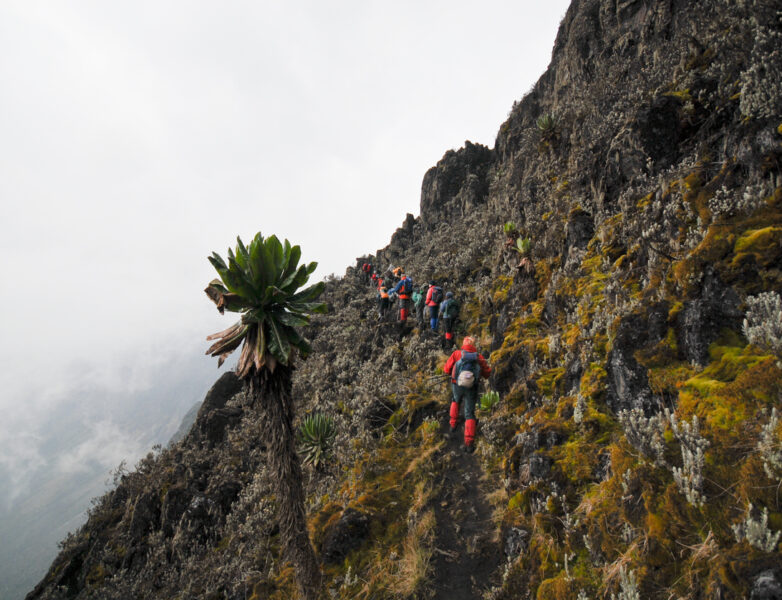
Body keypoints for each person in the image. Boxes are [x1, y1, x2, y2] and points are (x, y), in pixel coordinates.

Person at [443, 336, 491, 452]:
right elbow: (487, 373)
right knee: (469, 413)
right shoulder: (478, 357)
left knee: (455, 400)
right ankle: (469, 443)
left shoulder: (456, 354)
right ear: (474, 345)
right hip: (471, 387)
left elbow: (446, 369)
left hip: (456, 385)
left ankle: (453, 424)